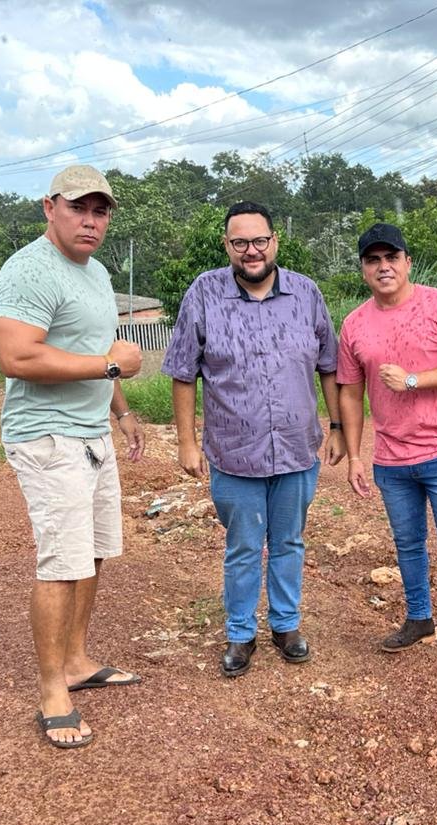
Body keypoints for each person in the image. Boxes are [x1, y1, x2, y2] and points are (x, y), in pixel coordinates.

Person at [0, 164, 145, 749]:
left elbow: (95, 347)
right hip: (47, 435)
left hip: (90, 431)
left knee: (95, 553)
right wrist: (111, 367)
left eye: (100, 210)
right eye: (79, 207)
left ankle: (78, 661)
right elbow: (19, 358)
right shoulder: (29, 270)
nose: (90, 220)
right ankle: (52, 689)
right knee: (62, 561)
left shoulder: (97, 271)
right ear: (48, 207)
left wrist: (121, 409)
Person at [162, 201, 343, 678]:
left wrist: (340, 427)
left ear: (274, 241)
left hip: (297, 447)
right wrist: (186, 441)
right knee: (243, 547)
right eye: (239, 242)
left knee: (289, 540)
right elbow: (183, 373)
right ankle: (240, 633)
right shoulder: (203, 293)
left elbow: (330, 366)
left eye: (259, 240)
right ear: (227, 246)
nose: (251, 251)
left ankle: (285, 625)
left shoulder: (306, 294)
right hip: (233, 451)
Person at [337, 223, 437, 676]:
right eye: (372, 260)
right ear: (363, 269)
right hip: (392, 458)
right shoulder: (355, 324)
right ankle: (419, 618)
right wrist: (356, 454)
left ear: (407, 262)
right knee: (408, 544)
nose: (383, 267)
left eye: (391, 258)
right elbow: (349, 390)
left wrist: (414, 380)